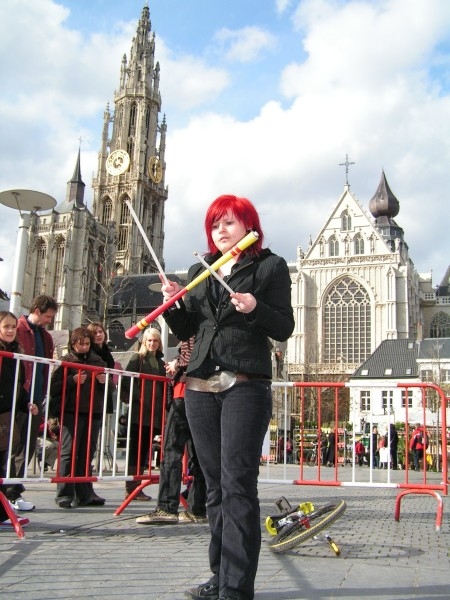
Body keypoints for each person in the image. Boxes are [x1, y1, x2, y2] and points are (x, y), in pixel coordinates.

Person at [160, 194, 294, 600]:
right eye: (215, 224)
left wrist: (254, 307)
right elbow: (190, 328)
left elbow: (284, 326)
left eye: (229, 222)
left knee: (237, 484)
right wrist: (172, 304)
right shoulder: (200, 270)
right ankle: (220, 575)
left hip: (245, 383)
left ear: (249, 226)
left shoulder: (269, 266)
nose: (221, 230)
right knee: (215, 487)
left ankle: (236, 587)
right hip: (199, 385)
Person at [136, 337, 207, 524]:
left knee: (171, 451)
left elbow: (193, 354)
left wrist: (178, 363)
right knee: (199, 455)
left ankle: (167, 507)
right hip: (203, 394)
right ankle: (197, 508)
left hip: (184, 392)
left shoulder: (194, 326)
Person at [49, 327, 109, 508]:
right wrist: (72, 380)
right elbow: (53, 387)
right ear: (73, 344)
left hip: (93, 412)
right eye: (81, 344)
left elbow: (111, 387)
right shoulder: (66, 361)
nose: (84, 347)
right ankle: (64, 493)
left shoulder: (98, 361)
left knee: (87, 453)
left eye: (87, 344)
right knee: (68, 452)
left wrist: (105, 382)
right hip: (71, 412)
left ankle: (85, 493)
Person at [8, 295, 57, 511]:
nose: (50, 321)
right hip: (18, 397)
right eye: (48, 316)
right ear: (36, 310)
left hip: (36, 397)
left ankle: (13, 491)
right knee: (12, 445)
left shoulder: (45, 336)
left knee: (27, 446)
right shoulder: (18, 329)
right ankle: (9, 492)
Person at [0, 311, 38, 526]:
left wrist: (26, 403)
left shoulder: (15, 354)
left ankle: (2, 514)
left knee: (1, 463)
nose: (11, 330)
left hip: (7, 414)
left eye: (13, 327)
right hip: (2, 412)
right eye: (6, 326)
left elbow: (18, 385)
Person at [121, 327, 166, 501]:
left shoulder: (161, 363)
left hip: (154, 413)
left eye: (155, 341)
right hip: (139, 412)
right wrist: (136, 398)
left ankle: (137, 486)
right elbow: (126, 380)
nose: (152, 343)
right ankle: (131, 488)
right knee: (135, 450)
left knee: (144, 450)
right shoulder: (137, 358)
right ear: (144, 342)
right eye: (149, 340)